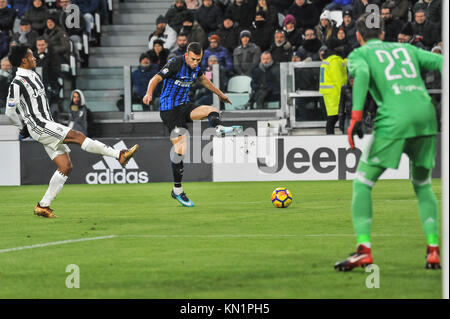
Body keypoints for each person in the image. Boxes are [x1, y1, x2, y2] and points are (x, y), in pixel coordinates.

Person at [334, 13, 442, 271]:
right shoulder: (406, 49)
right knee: (423, 185)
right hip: (426, 116)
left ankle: (364, 250)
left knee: (363, 182)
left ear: (359, 36)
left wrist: (356, 116)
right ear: (383, 33)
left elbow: (360, 77)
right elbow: (441, 62)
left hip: (394, 119)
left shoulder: (359, 55)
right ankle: (433, 250)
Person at [5, 45, 139, 218]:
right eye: (31, 55)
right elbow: (10, 111)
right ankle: (119, 154)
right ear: (24, 60)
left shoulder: (34, 75)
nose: (34, 58)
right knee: (77, 136)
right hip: (39, 125)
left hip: (47, 123)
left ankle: (43, 206)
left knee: (65, 166)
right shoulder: (17, 83)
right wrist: (22, 127)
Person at [142, 42, 242, 207]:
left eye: (199, 60)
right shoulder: (176, 63)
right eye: (194, 59)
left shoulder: (195, 68)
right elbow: (156, 78)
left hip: (184, 106)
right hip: (169, 111)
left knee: (212, 110)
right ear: (187, 55)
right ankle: (177, 191)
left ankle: (218, 129)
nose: (196, 63)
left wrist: (221, 94)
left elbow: (204, 81)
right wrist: (148, 93)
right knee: (181, 150)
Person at [319, 39, 347, 134]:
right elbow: (338, 79)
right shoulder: (335, 60)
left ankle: (330, 139)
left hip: (329, 95)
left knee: (331, 119)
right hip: (336, 95)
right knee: (337, 118)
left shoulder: (328, 59)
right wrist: (345, 94)